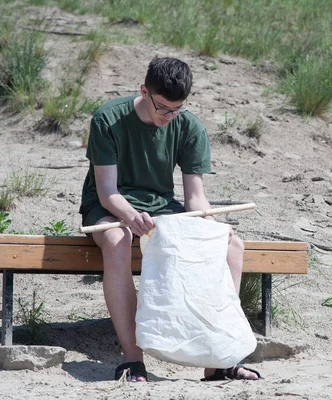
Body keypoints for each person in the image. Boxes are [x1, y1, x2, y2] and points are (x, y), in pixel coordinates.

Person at [79, 57, 261, 383]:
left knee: (230, 244)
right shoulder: (108, 118)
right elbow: (107, 191)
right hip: (111, 208)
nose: (169, 117)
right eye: (162, 108)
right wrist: (130, 216)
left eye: (177, 109)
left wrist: (208, 223)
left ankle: (221, 359)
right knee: (117, 240)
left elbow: (194, 196)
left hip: (162, 207)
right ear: (143, 91)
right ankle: (132, 359)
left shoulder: (189, 126)